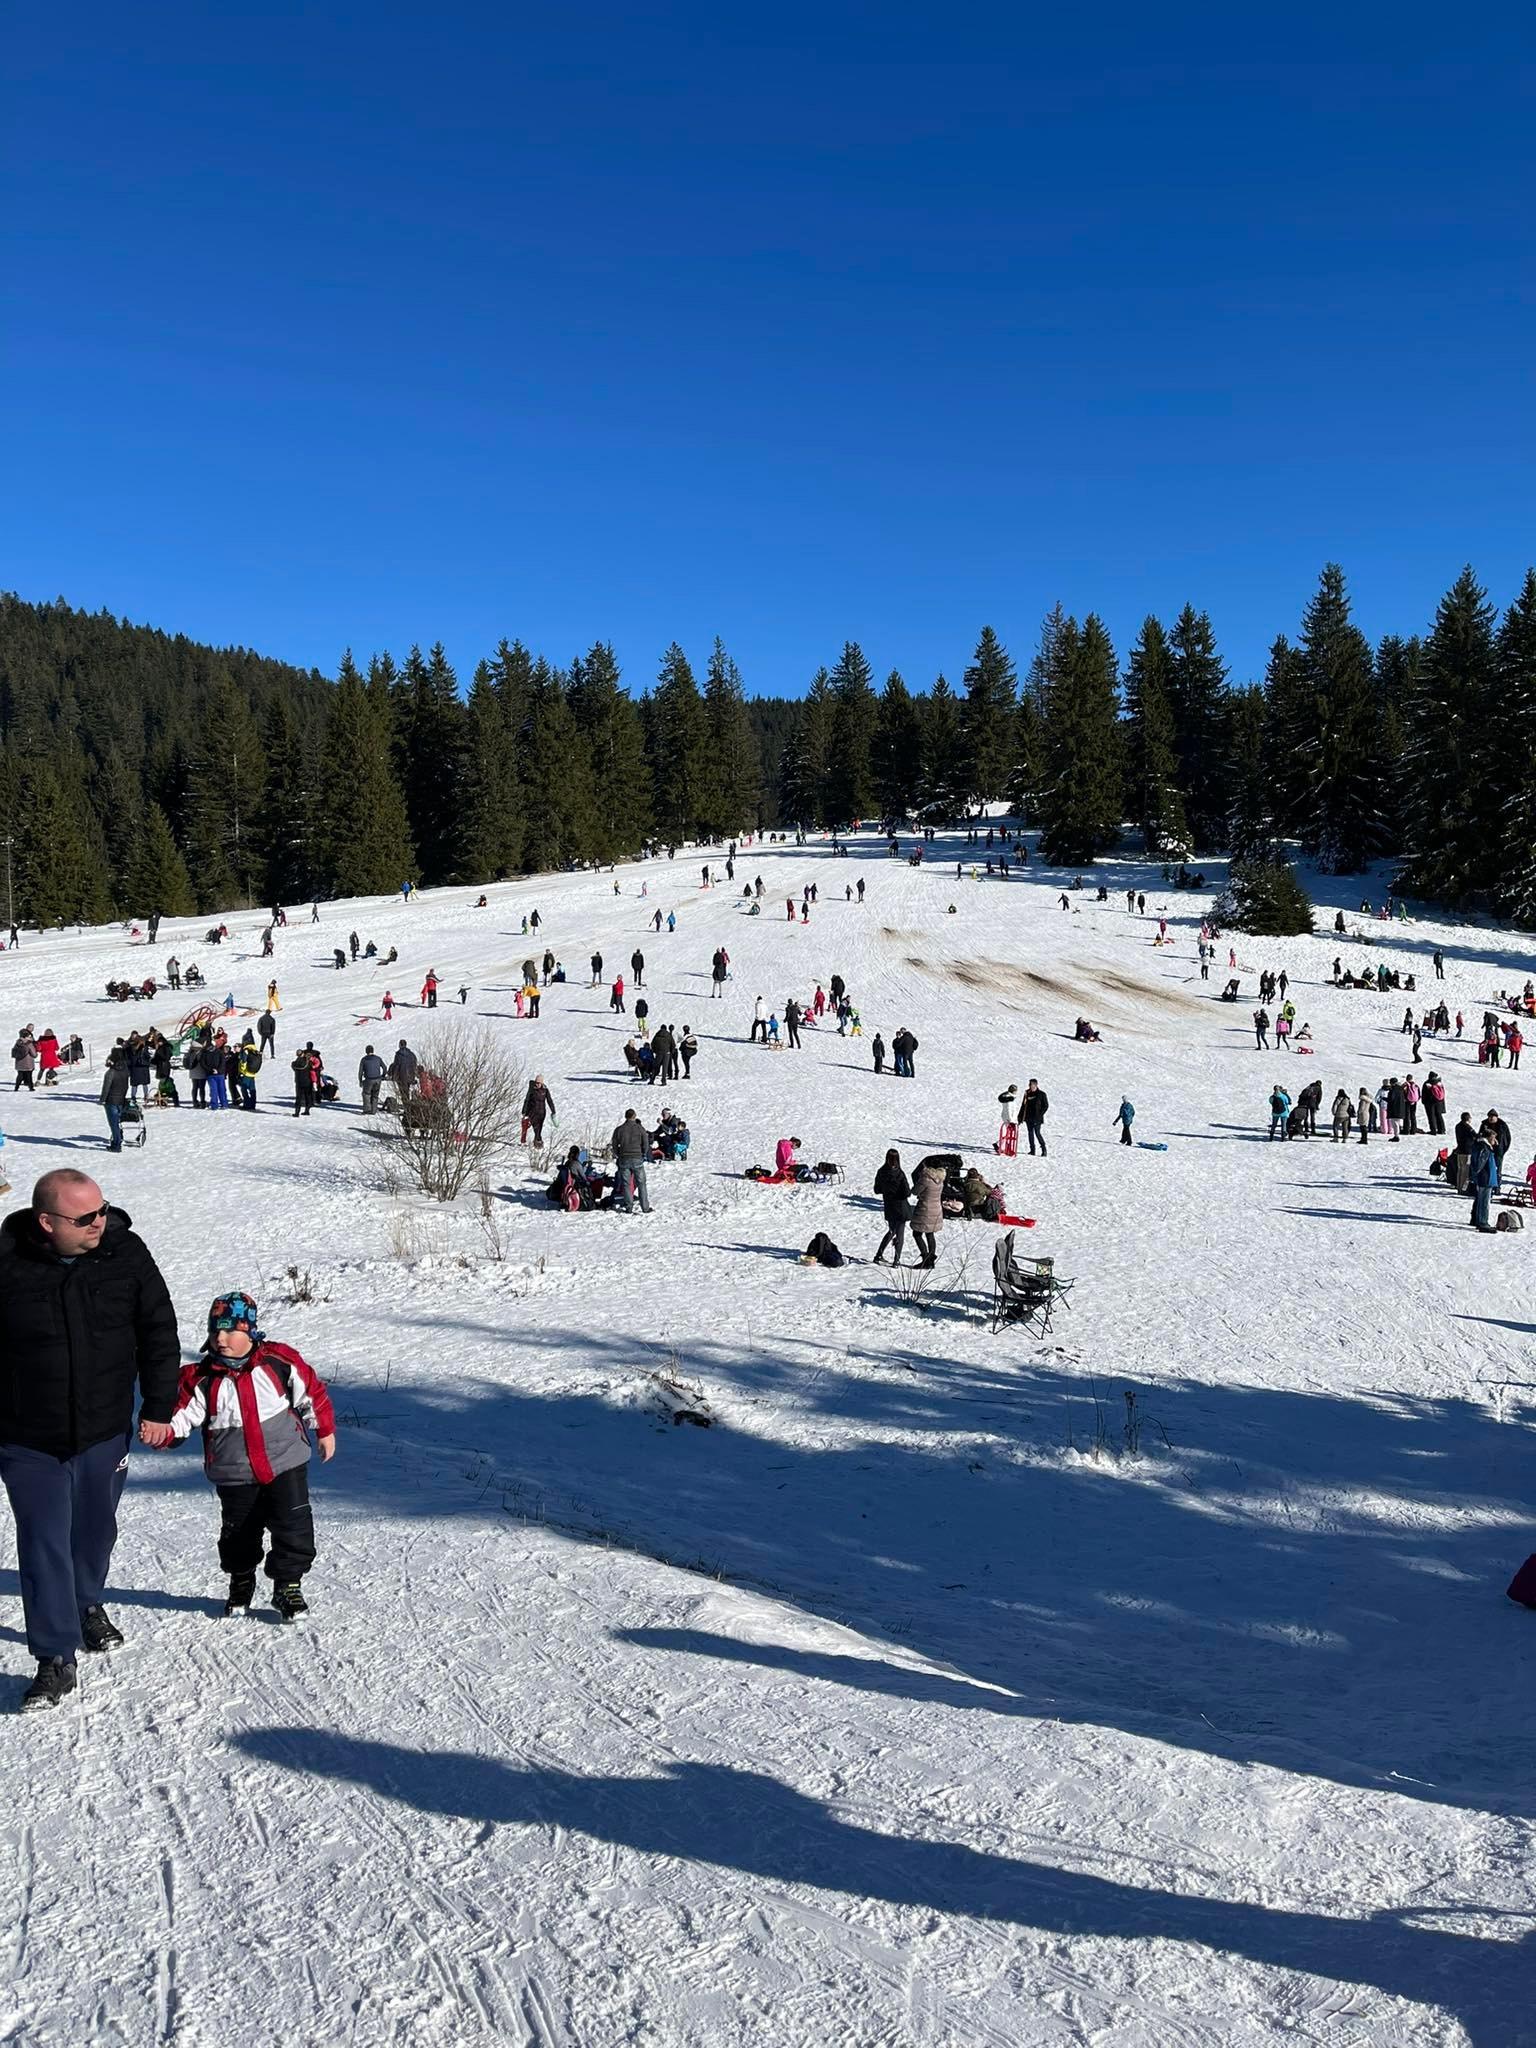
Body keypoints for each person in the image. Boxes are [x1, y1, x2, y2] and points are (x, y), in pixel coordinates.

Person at [0, 1169, 180, 1708]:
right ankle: (55, 1657)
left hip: (104, 1429)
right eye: (85, 1218)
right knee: (44, 1543)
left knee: (96, 1531)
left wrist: (158, 1406)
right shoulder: (7, 1264)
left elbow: (158, 1330)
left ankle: (86, 1604)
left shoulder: (124, 1252)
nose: (99, 1223)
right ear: (46, 1221)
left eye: (102, 1210)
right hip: (28, 1437)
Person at [152, 1290, 335, 1621]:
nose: (220, 1339)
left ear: (249, 1330)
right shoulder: (202, 1379)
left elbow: (311, 1392)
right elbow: (183, 1416)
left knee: (293, 1524)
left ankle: (288, 1585)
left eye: (229, 1330)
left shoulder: (278, 1362)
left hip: (285, 1462)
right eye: (214, 1331)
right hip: (233, 1470)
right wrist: (164, 1432)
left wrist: (324, 1429)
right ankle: (241, 1579)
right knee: (239, 1531)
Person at [872, 1151, 911, 1264]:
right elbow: (907, 1192)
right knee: (900, 1234)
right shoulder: (900, 1173)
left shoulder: (881, 1171)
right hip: (901, 1206)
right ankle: (896, 1260)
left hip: (889, 1206)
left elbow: (877, 1190)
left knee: (891, 1231)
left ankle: (878, 1255)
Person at [612, 1109, 653, 1214]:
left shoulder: (619, 1130)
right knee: (641, 1183)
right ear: (634, 1116)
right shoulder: (640, 1129)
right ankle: (645, 1207)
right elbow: (645, 1143)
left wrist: (618, 1154)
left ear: (625, 1116)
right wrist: (643, 1154)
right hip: (637, 1158)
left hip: (624, 1158)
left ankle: (628, 1207)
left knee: (626, 1184)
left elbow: (614, 1145)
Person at [910, 1159, 944, 1267]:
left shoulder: (925, 1179)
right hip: (936, 1209)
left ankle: (926, 1258)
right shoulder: (940, 1179)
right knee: (930, 1234)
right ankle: (931, 1258)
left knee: (917, 1233)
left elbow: (915, 1191)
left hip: (925, 1209)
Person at [99, 1047, 132, 1149]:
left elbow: (106, 1088)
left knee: (113, 1124)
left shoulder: (111, 1072)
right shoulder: (126, 1070)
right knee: (117, 1122)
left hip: (111, 1100)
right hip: (121, 1099)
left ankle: (116, 1144)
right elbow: (126, 1086)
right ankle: (117, 1140)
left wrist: (102, 1099)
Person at [1469, 1131, 1500, 1232]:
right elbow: (1479, 1164)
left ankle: (1478, 1220)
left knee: (1480, 1200)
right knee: (1484, 1201)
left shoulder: (1481, 1146)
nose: (1494, 1140)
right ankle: (1483, 1222)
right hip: (1486, 1178)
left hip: (1484, 1178)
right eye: (1492, 1138)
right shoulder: (1484, 1148)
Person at [522, 1076, 556, 1145]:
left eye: (539, 1083)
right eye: (536, 1083)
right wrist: (524, 1111)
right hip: (532, 1112)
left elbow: (549, 1100)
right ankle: (538, 1141)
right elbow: (527, 1100)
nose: (537, 1084)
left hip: (542, 1112)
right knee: (536, 1127)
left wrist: (553, 1110)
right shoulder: (532, 1090)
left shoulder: (545, 1090)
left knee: (539, 1128)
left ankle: (536, 1140)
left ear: (542, 1083)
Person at [1022, 1079, 1049, 1156]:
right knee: (1030, 1133)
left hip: (1037, 1118)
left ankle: (1044, 1149)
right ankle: (1032, 1150)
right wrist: (1021, 1117)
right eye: (1030, 1085)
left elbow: (1046, 1106)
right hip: (1028, 1117)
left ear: (1036, 1085)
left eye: (1033, 1085)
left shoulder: (1041, 1094)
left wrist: (1040, 1115)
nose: (1032, 1087)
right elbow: (1023, 1105)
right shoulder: (1027, 1093)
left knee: (1037, 1133)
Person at [358, 1045, 386, 1114]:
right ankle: (374, 1110)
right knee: (375, 1095)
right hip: (378, 1079)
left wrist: (360, 1081)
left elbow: (360, 1072)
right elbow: (384, 1068)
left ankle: (367, 1109)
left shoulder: (364, 1059)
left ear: (366, 1051)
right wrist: (383, 1076)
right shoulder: (378, 1058)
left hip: (368, 1080)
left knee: (366, 1094)